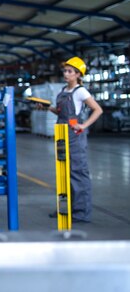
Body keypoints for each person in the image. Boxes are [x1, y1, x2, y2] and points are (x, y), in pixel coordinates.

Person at [47, 57, 103, 223]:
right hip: (62, 135)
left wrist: (84, 125)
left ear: (78, 75)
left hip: (75, 137)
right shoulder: (64, 90)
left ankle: (81, 213)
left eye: (70, 71)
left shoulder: (81, 92)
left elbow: (98, 110)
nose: (66, 73)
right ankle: (65, 210)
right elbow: (62, 114)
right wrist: (48, 107)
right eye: (65, 70)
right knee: (63, 173)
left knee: (78, 174)